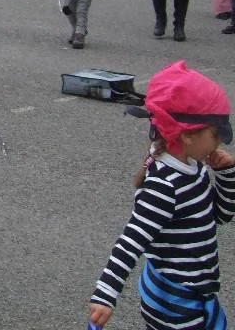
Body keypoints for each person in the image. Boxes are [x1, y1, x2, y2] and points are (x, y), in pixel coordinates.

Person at [88, 61, 235, 330]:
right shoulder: (164, 187)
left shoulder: (196, 168)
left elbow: (220, 216)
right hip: (174, 302)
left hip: (196, 293)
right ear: (187, 136)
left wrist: (226, 175)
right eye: (216, 133)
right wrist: (105, 295)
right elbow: (130, 242)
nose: (220, 142)